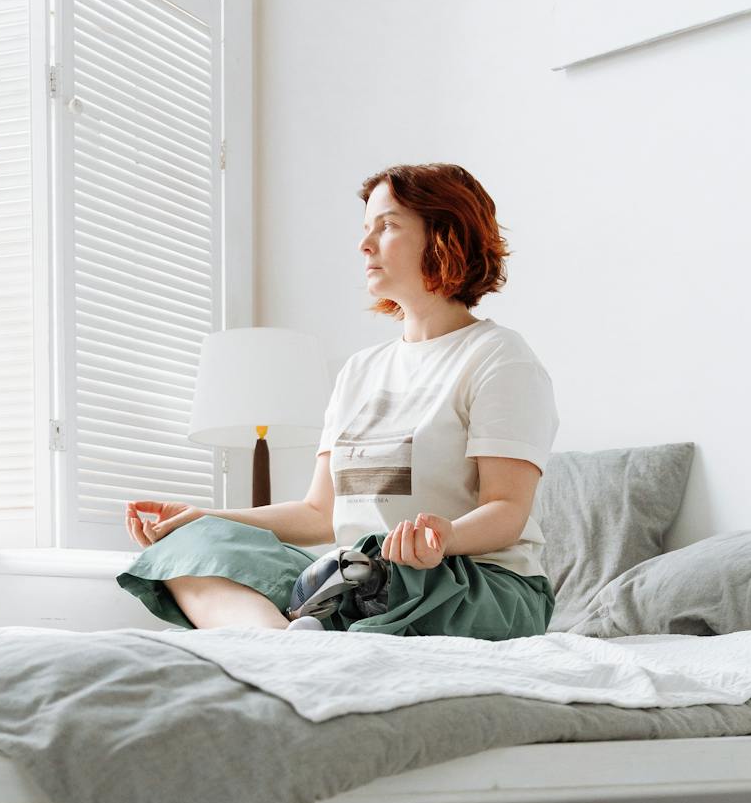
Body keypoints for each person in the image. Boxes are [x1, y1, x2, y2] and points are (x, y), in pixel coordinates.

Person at [116, 161, 559, 637]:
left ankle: (308, 627)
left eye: (387, 225)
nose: (365, 245)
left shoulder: (498, 356)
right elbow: (319, 513)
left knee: (378, 568)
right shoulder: (359, 371)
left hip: (472, 583)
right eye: (366, 228)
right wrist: (206, 517)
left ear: (445, 235)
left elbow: (506, 510)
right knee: (190, 547)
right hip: (349, 578)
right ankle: (279, 646)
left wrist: (443, 539)